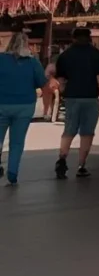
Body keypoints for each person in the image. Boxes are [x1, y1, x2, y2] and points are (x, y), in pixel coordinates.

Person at [54, 27, 99, 179]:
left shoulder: (65, 55)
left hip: (72, 97)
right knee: (87, 132)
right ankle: (81, 166)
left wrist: (65, 90)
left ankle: (62, 159)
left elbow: (61, 79)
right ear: (89, 37)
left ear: (73, 38)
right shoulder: (97, 55)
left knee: (69, 130)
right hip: (90, 97)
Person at [0, 33, 46, 185]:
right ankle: (12, 172)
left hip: (2, 104)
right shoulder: (33, 62)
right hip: (25, 106)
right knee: (17, 142)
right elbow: (41, 82)